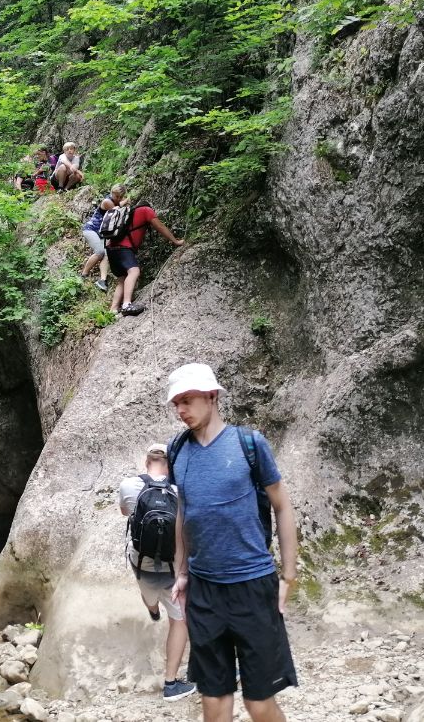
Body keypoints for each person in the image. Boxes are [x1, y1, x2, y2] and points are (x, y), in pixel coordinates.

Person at [166, 363, 299, 722]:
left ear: (212, 397)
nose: (181, 410)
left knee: (259, 702)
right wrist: (181, 572)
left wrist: (288, 576)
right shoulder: (177, 450)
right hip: (205, 590)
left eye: (187, 400)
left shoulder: (249, 444)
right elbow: (183, 512)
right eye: (176, 403)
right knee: (214, 701)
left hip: (252, 586)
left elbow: (283, 506)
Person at [119, 444, 198, 702]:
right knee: (180, 620)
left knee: (148, 592)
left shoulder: (129, 486)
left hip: (141, 565)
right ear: (171, 464)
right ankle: (171, 684)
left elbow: (125, 512)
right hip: (172, 569)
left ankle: (153, 609)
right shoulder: (181, 489)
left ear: (146, 462)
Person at [105, 198, 184, 316]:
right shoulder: (146, 210)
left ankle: (113, 310)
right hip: (123, 248)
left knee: (122, 279)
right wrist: (175, 241)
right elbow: (160, 227)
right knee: (134, 271)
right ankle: (127, 304)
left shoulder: (130, 213)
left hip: (111, 249)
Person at [81, 184, 123, 292]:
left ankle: (102, 280)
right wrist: (125, 202)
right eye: (116, 196)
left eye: (120, 197)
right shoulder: (107, 201)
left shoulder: (116, 202)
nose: (118, 198)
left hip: (101, 233)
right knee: (99, 252)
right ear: (112, 193)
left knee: (106, 254)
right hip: (91, 229)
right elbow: (116, 211)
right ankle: (83, 275)